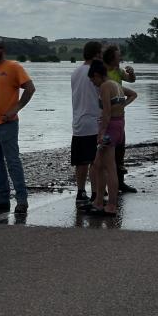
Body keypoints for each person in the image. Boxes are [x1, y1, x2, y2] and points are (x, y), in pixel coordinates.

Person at [0, 38, 35, 216]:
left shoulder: (13, 67)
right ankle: (2, 198)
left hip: (8, 124)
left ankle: (22, 200)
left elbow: (30, 88)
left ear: (2, 50)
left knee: (13, 162)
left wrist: (15, 109)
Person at [88, 60, 136, 216]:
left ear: (96, 75)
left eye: (92, 80)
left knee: (109, 167)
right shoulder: (115, 84)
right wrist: (121, 107)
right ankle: (99, 202)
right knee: (97, 165)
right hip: (119, 125)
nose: (93, 83)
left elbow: (107, 112)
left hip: (110, 128)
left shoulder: (105, 86)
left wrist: (101, 133)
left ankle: (111, 205)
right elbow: (133, 94)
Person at [71, 41, 104, 210]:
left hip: (78, 121)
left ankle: (81, 191)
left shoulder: (75, 72)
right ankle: (96, 193)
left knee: (80, 161)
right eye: (101, 54)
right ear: (96, 55)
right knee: (95, 161)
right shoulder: (96, 73)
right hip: (94, 121)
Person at [102, 45, 137, 194]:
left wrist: (132, 73)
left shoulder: (118, 71)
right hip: (105, 116)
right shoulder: (103, 72)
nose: (121, 58)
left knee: (120, 150)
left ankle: (120, 182)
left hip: (119, 117)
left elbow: (131, 81)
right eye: (118, 56)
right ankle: (101, 187)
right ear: (111, 58)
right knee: (104, 151)